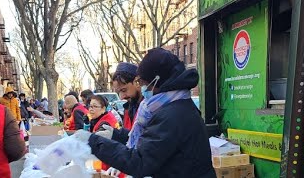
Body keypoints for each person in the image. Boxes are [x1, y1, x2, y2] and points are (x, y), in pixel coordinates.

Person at [73, 48, 216, 177]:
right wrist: (117, 135)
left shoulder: (172, 114)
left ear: (157, 80)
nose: (142, 87)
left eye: (143, 82)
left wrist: (93, 142)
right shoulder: (173, 105)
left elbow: (140, 161)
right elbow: (151, 141)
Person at [0, 69, 26, 178]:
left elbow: (17, 110)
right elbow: (16, 150)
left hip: (12, 119)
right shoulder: (2, 108)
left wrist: (19, 119)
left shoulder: (14, 102)